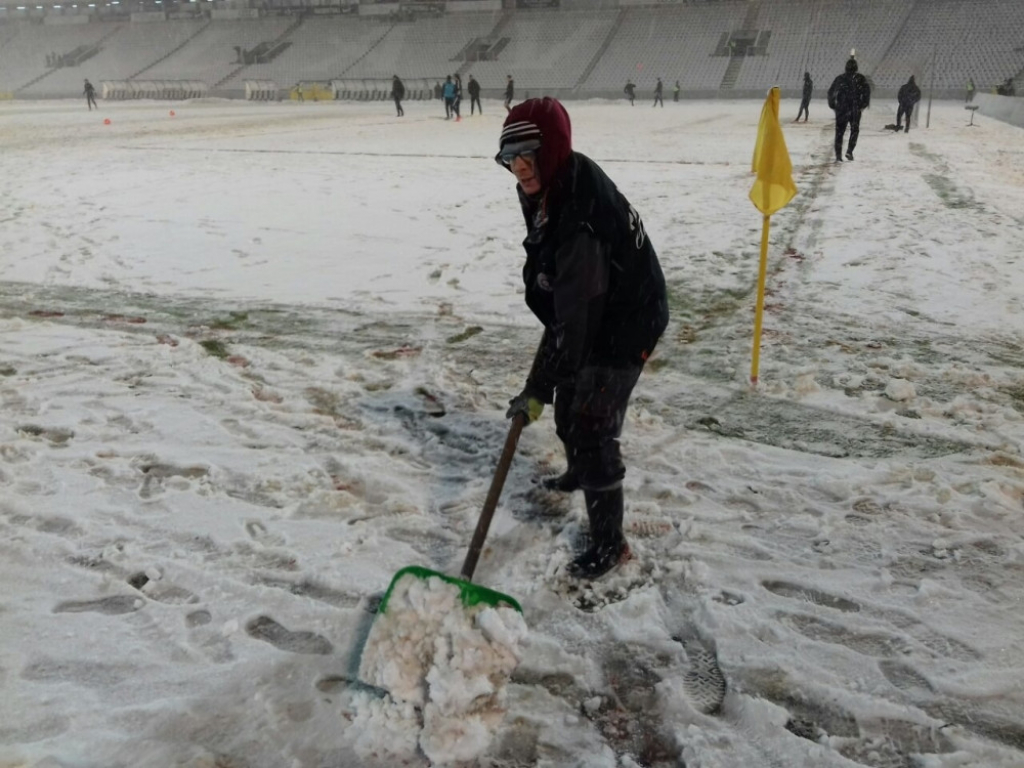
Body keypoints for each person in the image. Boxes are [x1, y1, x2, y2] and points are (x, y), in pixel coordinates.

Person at [496, 98, 669, 579]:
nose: (520, 167)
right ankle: (578, 473)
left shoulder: (580, 222)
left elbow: (575, 325)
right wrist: (547, 383)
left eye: (529, 154)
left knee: (592, 421)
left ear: (553, 150)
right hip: (596, 302)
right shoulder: (554, 182)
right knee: (570, 395)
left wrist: (536, 387)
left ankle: (611, 545)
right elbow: (565, 310)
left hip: (628, 318)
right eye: (511, 157)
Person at [827, 57, 870, 162]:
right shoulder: (860, 78)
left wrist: (833, 105)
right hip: (855, 107)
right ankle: (849, 150)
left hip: (842, 107)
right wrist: (862, 104)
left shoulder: (840, 78)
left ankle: (838, 155)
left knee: (839, 132)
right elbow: (866, 92)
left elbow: (831, 92)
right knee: (854, 130)